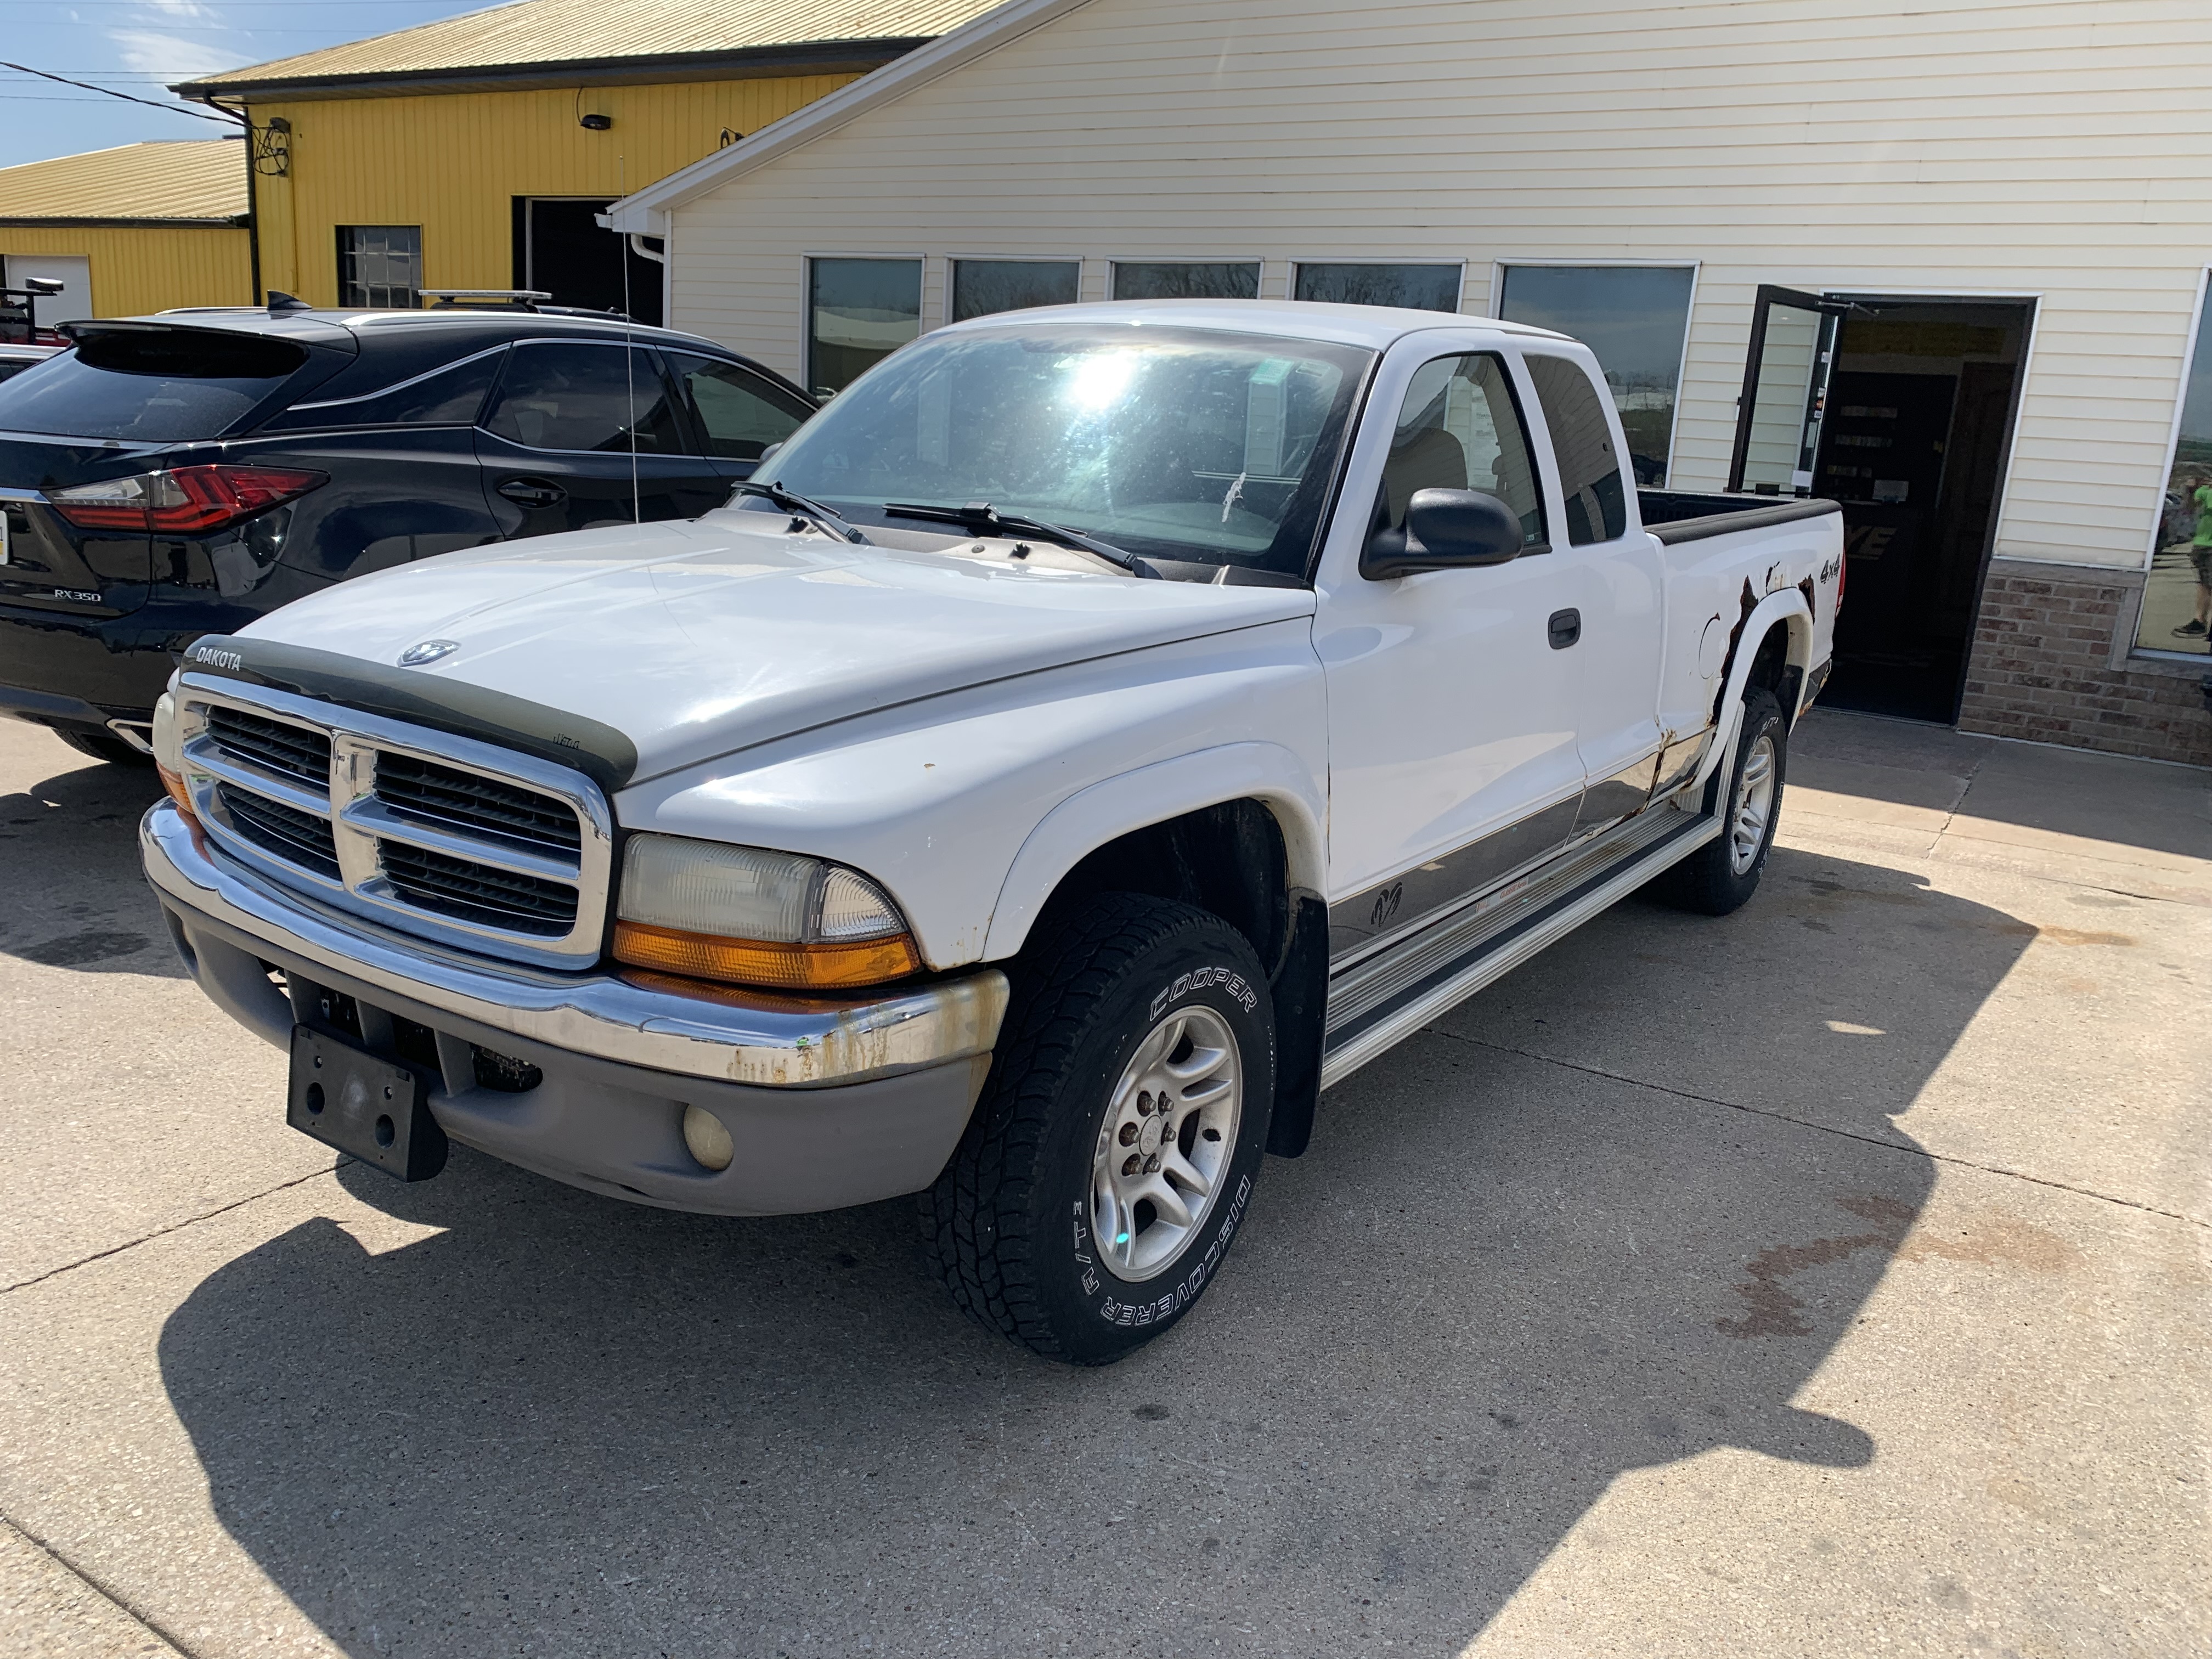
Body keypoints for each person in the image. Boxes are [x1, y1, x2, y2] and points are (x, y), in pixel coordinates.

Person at [2176, 469, 2212, 641]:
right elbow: (2189, 509)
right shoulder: (2205, 490)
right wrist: (2190, 491)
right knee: (2204, 583)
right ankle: (2200, 621)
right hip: (2203, 543)